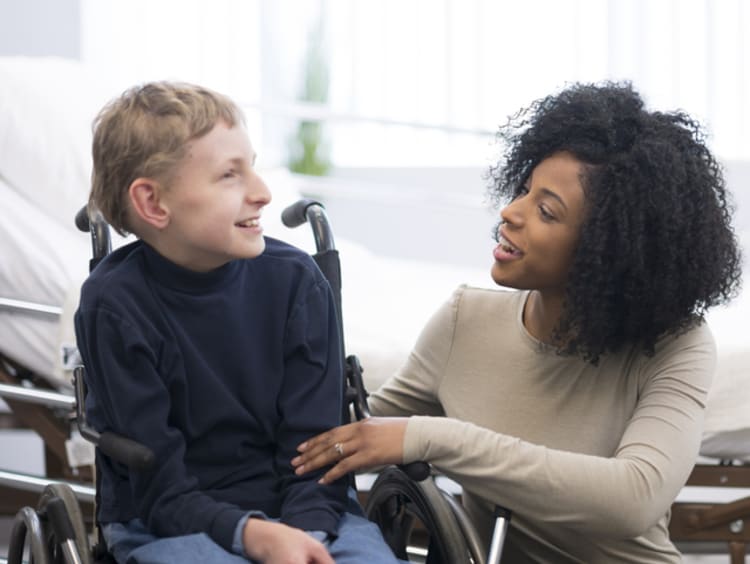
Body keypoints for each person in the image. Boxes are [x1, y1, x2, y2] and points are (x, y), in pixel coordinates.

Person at [291, 82, 744, 562]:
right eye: (524, 190)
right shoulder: (464, 320)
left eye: (546, 210)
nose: (509, 213)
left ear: (607, 250)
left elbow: (633, 499)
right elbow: (364, 425)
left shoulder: (678, 345)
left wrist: (431, 436)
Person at [74, 81, 403, 564]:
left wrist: (303, 535)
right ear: (152, 204)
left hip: (308, 509)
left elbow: (314, 453)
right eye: (230, 175)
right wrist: (253, 537)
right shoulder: (115, 306)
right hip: (164, 522)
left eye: (254, 166)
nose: (263, 193)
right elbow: (161, 489)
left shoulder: (296, 283)